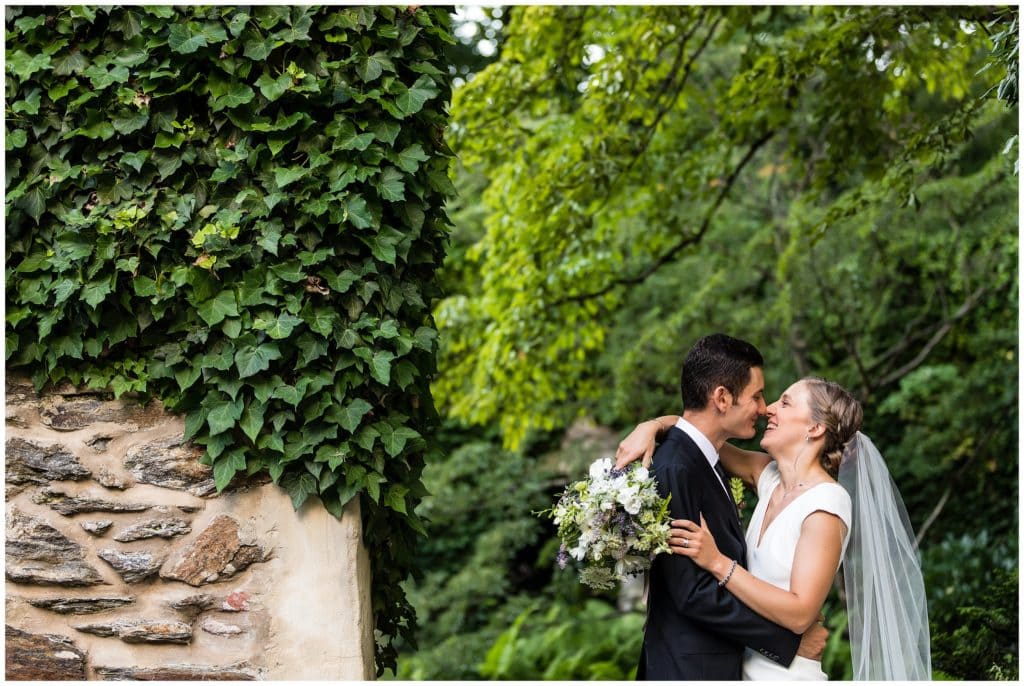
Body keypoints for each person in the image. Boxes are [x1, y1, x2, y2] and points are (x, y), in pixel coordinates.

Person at [617, 372, 931, 680]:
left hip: (786, 675)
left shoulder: (827, 504)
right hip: (740, 666)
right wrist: (651, 426)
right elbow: (697, 435)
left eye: (785, 403)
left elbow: (800, 613)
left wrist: (717, 562)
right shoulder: (767, 477)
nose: (769, 409)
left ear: (815, 427)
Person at [631, 333, 827, 680]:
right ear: (722, 398)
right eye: (757, 395)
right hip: (689, 669)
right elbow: (690, 591)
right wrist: (785, 642)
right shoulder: (676, 466)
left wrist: (656, 424)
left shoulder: (706, 459)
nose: (764, 407)